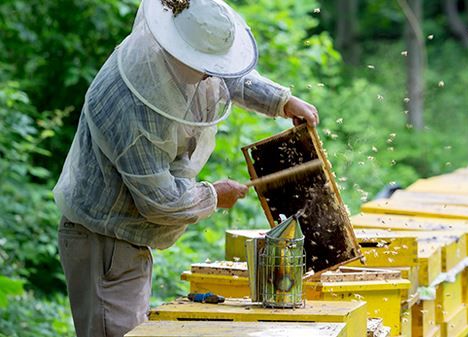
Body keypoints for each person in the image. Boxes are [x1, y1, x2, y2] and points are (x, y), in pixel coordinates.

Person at [53, 0, 319, 336]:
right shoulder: (131, 103)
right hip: (104, 242)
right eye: (205, 64)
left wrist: (281, 101)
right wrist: (212, 195)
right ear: (178, 50)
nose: (211, 72)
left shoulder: (179, 54)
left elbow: (226, 76)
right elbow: (159, 200)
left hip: (121, 242)